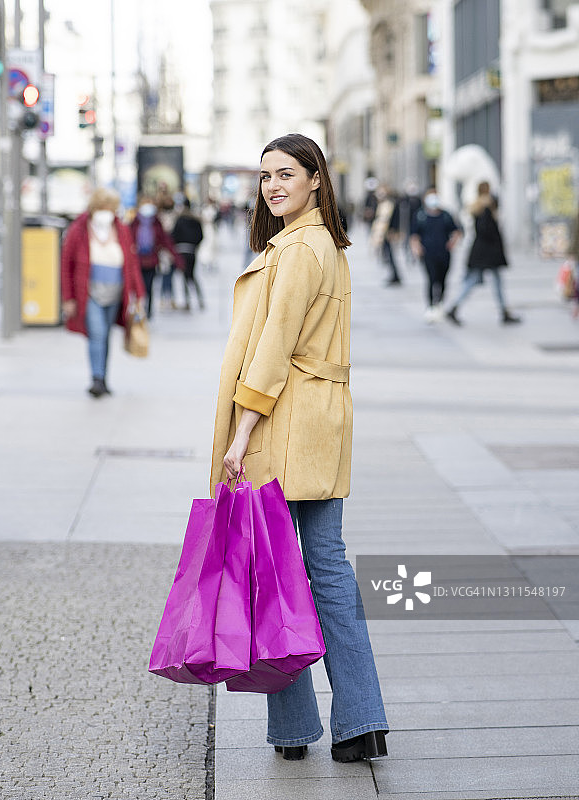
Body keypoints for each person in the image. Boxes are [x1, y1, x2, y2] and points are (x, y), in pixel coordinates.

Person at [210, 133, 389, 763]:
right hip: (322, 426)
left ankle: (292, 730)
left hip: (282, 428)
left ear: (316, 179)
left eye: (286, 174)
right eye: (265, 177)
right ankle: (363, 721)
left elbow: (273, 347)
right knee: (330, 570)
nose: (272, 186)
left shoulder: (294, 250)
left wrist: (241, 433)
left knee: (276, 577)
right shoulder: (330, 244)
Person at [61, 187, 145, 398]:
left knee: (105, 335)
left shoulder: (121, 229)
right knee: (96, 333)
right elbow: (66, 264)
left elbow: (131, 263)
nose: (107, 212)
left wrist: (139, 293)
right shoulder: (79, 228)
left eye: (110, 208)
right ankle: (97, 379)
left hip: (115, 291)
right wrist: (68, 297)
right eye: (103, 207)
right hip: (89, 291)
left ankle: (103, 377)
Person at [446, 181, 521, 326]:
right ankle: (455, 307)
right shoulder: (486, 208)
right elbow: (488, 231)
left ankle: (503, 310)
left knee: (484, 280)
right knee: (480, 280)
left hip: (481, 251)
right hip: (487, 253)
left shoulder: (477, 207)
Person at [410, 188, 462, 322]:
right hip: (428, 253)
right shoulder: (420, 215)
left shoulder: (445, 215)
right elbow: (414, 234)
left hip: (444, 253)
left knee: (443, 279)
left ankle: (440, 303)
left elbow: (456, 231)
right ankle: (431, 305)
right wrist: (416, 248)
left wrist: (452, 243)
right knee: (431, 279)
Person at [128, 197, 182, 318]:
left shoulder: (156, 223)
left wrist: (177, 258)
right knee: (138, 286)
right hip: (138, 261)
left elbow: (166, 241)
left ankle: (148, 311)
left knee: (150, 286)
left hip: (152, 261)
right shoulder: (135, 223)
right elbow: (127, 240)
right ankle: (139, 309)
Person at [172, 198, 205, 310]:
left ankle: (187, 301)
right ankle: (200, 299)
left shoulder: (179, 219)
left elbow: (173, 235)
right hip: (192, 251)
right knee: (192, 275)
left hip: (181, 250)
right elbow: (201, 236)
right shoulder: (196, 220)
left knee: (185, 276)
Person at [370, 185, 402, 285]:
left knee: (390, 254)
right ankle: (393, 274)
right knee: (387, 255)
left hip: (388, 233)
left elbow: (395, 218)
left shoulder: (391, 204)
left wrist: (394, 231)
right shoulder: (381, 203)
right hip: (382, 233)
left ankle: (395, 275)